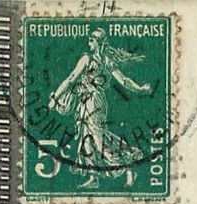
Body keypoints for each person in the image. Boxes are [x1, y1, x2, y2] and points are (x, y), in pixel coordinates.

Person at [48, 28, 152, 189]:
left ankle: (129, 165)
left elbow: (123, 80)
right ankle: (93, 177)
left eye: (92, 39)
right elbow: (71, 79)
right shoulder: (93, 59)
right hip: (84, 103)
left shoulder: (96, 60)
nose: (89, 42)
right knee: (86, 140)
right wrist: (57, 96)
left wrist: (139, 89)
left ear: (99, 43)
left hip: (95, 102)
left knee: (98, 139)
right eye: (89, 39)